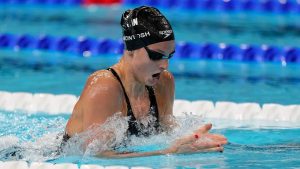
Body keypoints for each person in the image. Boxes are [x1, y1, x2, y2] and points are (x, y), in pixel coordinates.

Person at [63, 6, 227, 158]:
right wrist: (169, 152)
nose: (165, 65)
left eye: (169, 56)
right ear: (131, 49)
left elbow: (167, 135)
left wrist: (192, 141)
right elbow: (96, 156)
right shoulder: (105, 87)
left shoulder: (164, 82)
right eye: (156, 55)